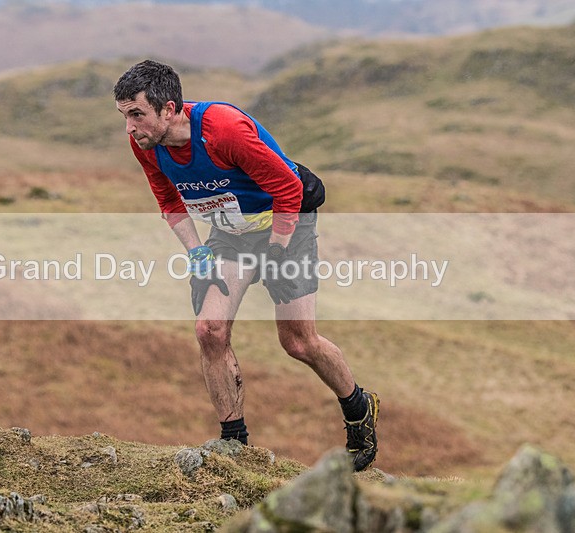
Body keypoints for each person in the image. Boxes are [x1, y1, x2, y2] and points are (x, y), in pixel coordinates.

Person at [113, 59, 379, 471]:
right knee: (210, 330)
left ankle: (359, 409)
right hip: (231, 234)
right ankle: (234, 443)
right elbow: (169, 201)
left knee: (298, 343)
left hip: (286, 223)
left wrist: (275, 251)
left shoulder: (223, 130)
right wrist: (198, 254)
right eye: (124, 116)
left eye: (136, 115)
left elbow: (289, 189)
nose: (130, 128)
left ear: (169, 109)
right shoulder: (146, 143)